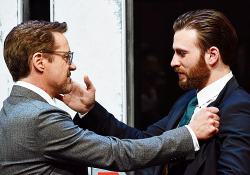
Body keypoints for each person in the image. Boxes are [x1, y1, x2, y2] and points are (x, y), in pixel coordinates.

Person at [0, 20, 219, 175]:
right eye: (67, 57)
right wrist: (190, 134)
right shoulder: (41, 117)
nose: (72, 65)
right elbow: (118, 154)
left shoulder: (12, 107)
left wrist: (89, 110)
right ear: (39, 62)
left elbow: (139, 140)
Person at [77, 9, 250, 175]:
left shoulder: (239, 106)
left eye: (182, 53)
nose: (173, 62)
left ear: (212, 55)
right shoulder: (187, 101)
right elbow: (143, 141)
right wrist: (90, 109)